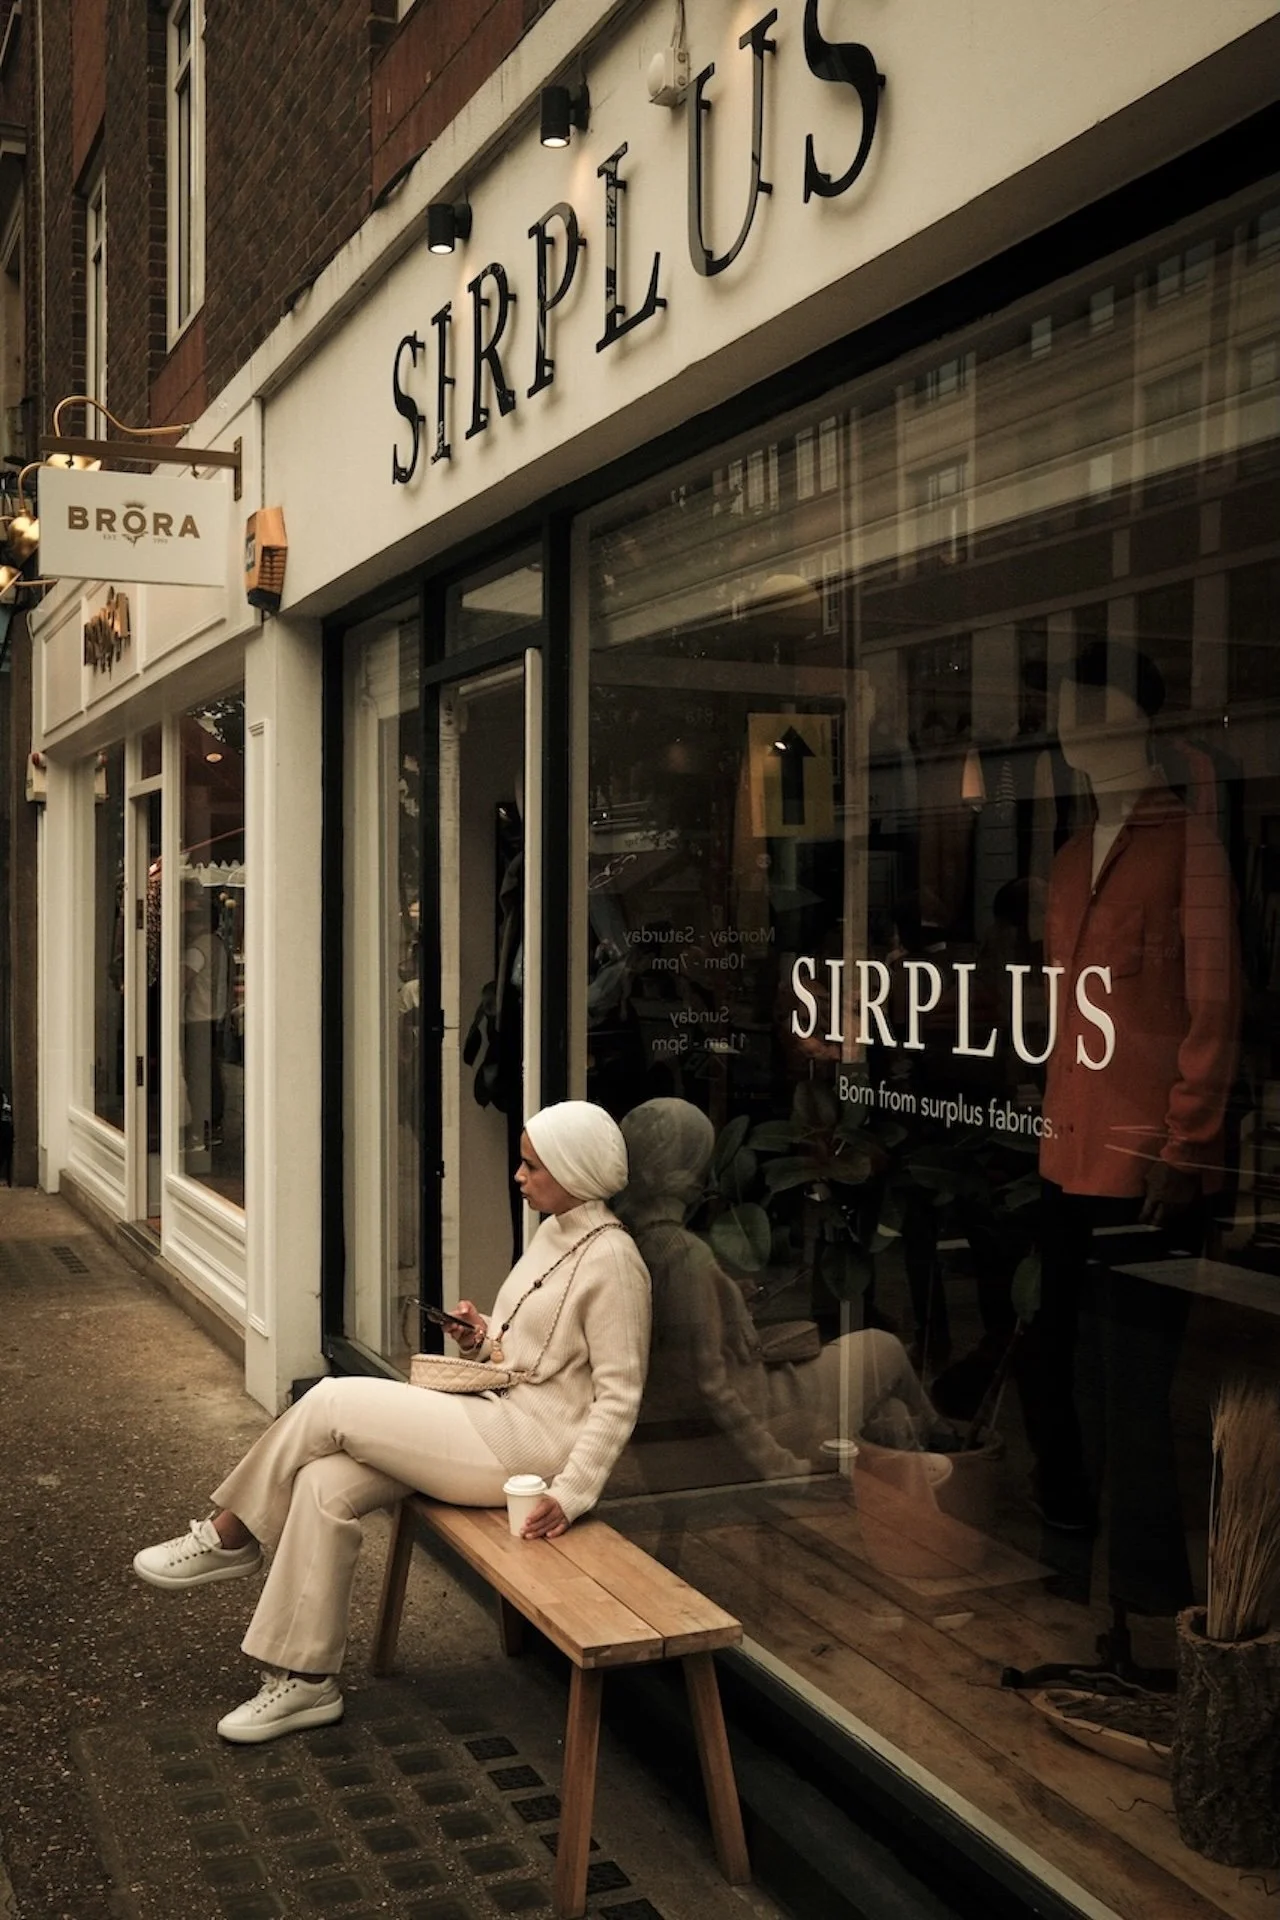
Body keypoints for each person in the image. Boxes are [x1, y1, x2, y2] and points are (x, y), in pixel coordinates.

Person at [133, 1101, 651, 1745]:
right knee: (323, 1484)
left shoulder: (615, 1260)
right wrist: (483, 1338)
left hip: (531, 1450)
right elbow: (535, 1355)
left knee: (328, 1402)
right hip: (497, 1415)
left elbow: (619, 1395)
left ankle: (230, 1533)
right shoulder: (555, 1231)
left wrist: (571, 1494)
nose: (518, 1176)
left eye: (531, 1165)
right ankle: (305, 1680)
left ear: (574, 1170)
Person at [614, 1098, 955, 1482]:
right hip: (767, 1411)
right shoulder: (681, 1256)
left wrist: (727, 1301)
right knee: (885, 1349)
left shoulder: (631, 1237)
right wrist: (783, 1469)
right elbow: (713, 1391)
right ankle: (952, 1446)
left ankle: (912, 1497)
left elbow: (682, 1336)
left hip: (710, 1417)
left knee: (891, 1411)